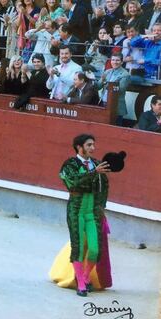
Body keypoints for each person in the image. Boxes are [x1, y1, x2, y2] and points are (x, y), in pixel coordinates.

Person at [57, 134, 111, 296]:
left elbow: (104, 185)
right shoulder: (70, 164)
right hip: (76, 211)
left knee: (95, 249)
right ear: (79, 147)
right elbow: (72, 183)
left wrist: (102, 207)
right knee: (78, 247)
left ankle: (86, 277)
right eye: (89, 145)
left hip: (92, 212)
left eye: (93, 145)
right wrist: (94, 172)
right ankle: (80, 283)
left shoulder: (96, 164)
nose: (93, 148)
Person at [97, 52, 131, 126]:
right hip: (104, 104)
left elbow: (120, 89)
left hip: (116, 107)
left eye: (117, 60)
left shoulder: (125, 74)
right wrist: (97, 80)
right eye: (113, 60)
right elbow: (98, 86)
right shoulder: (107, 72)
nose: (115, 62)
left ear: (122, 62)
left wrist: (106, 82)